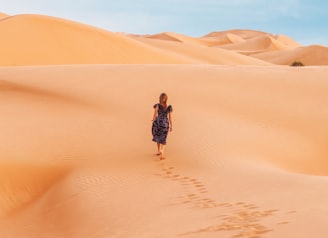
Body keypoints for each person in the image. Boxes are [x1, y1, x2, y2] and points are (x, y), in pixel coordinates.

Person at [152, 93, 173, 160]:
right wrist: (171, 125)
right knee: (163, 137)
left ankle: (158, 151)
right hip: (165, 124)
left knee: (157, 136)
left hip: (158, 122)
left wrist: (153, 121)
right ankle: (162, 151)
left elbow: (155, 114)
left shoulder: (157, 105)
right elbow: (170, 118)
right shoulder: (168, 107)